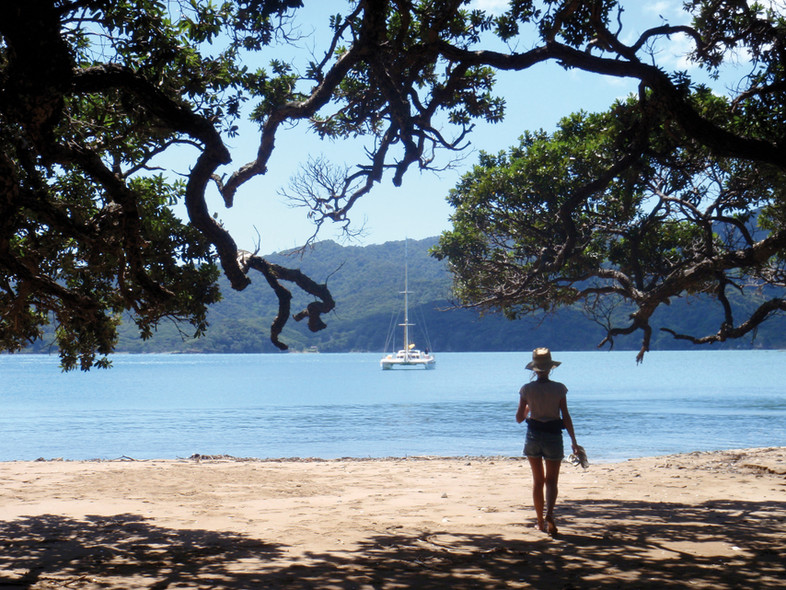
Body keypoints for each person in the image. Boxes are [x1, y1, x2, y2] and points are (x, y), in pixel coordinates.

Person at [515, 347, 580, 536]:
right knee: (552, 481)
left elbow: (519, 418)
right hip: (553, 435)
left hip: (534, 435)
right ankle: (550, 514)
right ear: (550, 368)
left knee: (538, 481)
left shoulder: (526, 389)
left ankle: (540, 522)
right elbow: (565, 416)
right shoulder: (559, 388)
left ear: (534, 369)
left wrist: (528, 408)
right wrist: (574, 441)